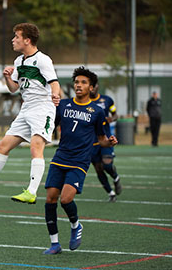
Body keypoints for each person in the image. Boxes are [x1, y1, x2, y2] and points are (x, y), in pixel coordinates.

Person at [0, 22, 61, 204]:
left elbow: (54, 81)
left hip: (42, 108)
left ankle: (31, 192)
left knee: (35, 148)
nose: (12, 40)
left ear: (27, 40)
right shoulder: (18, 61)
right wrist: (8, 77)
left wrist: (55, 93)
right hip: (26, 109)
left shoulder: (43, 60)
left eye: (16, 37)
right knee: (3, 146)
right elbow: (14, 89)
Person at [43, 67, 118, 255]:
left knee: (66, 199)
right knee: (51, 198)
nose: (79, 85)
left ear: (91, 87)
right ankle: (54, 244)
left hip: (79, 161)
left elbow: (101, 138)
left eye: (84, 82)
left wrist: (108, 141)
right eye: (77, 82)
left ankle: (76, 225)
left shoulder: (97, 111)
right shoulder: (63, 105)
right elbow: (52, 125)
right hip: (60, 157)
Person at [90, 83, 122, 202]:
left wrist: (111, 119)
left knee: (107, 164)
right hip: (91, 140)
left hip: (105, 137)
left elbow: (115, 114)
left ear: (98, 86)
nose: (92, 88)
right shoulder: (84, 102)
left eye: (94, 85)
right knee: (98, 168)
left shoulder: (107, 100)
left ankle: (116, 177)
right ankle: (111, 193)